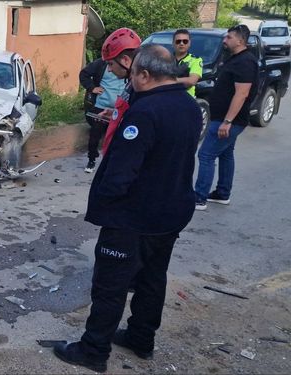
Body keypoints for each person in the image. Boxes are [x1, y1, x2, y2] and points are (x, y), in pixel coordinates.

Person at [52, 44, 202, 373]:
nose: (129, 81)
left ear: (145, 75)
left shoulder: (146, 113)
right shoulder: (188, 106)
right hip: (171, 212)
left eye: (133, 75)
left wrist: (105, 205)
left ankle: (93, 351)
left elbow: (121, 174)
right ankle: (141, 338)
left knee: (110, 286)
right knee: (151, 279)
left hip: (134, 218)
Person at [194, 25, 258, 210]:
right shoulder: (235, 59)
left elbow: (242, 93)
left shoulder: (245, 62)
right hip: (224, 118)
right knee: (226, 154)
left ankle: (199, 198)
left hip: (228, 120)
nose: (224, 40)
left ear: (240, 40)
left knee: (205, 154)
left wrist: (227, 121)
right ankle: (222, 193)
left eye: (228, 37)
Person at [97, 28, 142, 156]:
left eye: (111, 64)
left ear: (126, 61)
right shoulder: (131, 84)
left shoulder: (139, 90)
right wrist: (115, 115)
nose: (109, 70)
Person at [79, 57, 125, 173]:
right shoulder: (101, 64)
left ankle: (114, 162)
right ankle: (91, 159)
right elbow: (84, 74)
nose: (110, 69)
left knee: (119, 136)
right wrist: (92, 88)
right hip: (101, 105)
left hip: (120, 107)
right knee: (95, 134)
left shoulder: (129, 65)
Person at [173, 29, 203, 97]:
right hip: (167, 97)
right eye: (178, 41)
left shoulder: (195, 60)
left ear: (189, 43)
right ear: (173, 43)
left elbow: (191, 81)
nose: (181, 43)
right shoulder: (166, 58)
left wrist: (167, 81)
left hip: (186, 99)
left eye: (185, 41)